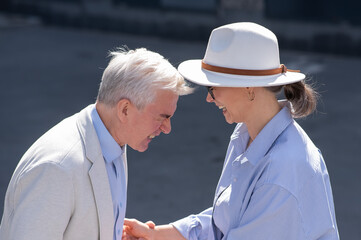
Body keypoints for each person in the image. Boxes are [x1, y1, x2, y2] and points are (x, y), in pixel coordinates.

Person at [122, 22, 339, 239]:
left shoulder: (282, 171)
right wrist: (156, 234)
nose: (209, 98)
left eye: (213, 88)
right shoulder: (245, 135)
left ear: (248, 88)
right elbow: (227, 222)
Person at [0, 47, 192, 240]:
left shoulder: (114, 141)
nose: (167, 128)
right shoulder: (56, 168)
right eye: (162, 117)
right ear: (125, 110)